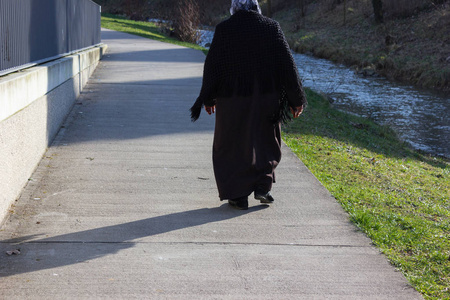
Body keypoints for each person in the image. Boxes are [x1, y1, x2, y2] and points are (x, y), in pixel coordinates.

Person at [190, 0, 307, 210]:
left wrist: (208, 98)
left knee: (231, 143)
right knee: (266, 140)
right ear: (256, 6)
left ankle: (237, 194)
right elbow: (287, 66)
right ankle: (263, 185)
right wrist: (296, 99)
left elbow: (213, 66)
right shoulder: (272, 28)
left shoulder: (224, 29)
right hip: (266, 97)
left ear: (234, 7)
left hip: (232, 98)